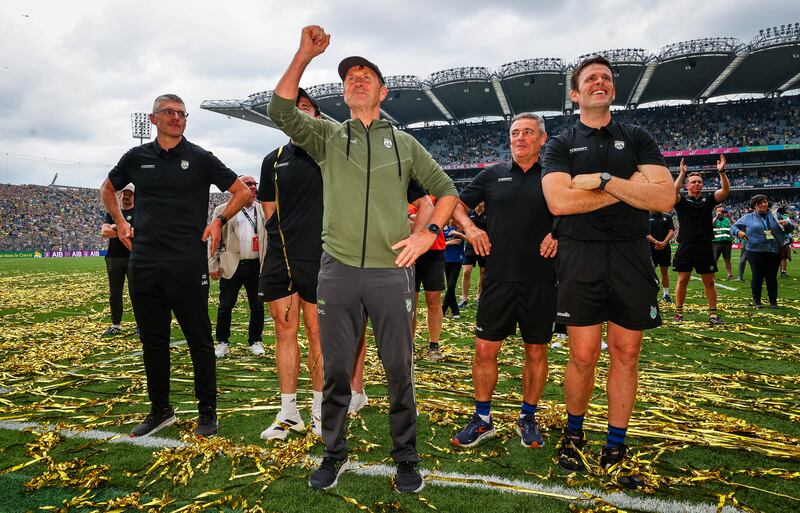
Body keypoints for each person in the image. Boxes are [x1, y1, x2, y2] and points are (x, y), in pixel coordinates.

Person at [267, 25, 458, 493]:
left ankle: (406, 458)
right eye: (349, 76)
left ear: (382, 90)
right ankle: (333, 453)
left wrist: (426, 233)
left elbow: (447, 191)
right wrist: (303, 55)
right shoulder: (329, 137)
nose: (356, 79)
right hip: (338, 271)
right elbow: (279, 109)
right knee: (335, 372)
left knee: (398, 369)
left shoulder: (405, 143)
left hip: (391, 275)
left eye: (365, 74)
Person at [541, 55, 674, 486]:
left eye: (606, 78)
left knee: (626, 353)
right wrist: (631, 187)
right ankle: (573, 435)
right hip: (580, 255)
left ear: (613, 90)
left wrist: (600, 179)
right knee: (583, 354)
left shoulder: (637, 135)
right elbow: (559, 203)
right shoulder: (560, 144)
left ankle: (615, 443)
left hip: (631, 254)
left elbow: (664, 200)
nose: (600, 81)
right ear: (576, 94)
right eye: (590, 78)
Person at [100, 93, 249, 438]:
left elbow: (241, 192)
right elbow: (108, 188)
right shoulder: (136, 157)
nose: (176, 118)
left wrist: (219, 220)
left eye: (182, 114)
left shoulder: (199, 157)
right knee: (153, 340)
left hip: (186, 261)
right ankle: (160, 410)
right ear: (153, 119)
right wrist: (121, 223)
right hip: (145, 261)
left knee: (199, 338)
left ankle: (207, 413)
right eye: (168, 112)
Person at [451, 112, 558, 450]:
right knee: (484, 350)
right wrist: (471, 228)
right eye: (514, 133)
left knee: (536, 350)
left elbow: (575, 212)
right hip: (497, 279)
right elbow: (454, 204)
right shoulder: (492, 175)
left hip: (541, 280)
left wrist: (560, 234)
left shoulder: (555, 177)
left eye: (528, 132)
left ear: (542, 139)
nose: (520, 138)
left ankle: (528, 417)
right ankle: (482, 419)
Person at [208, 175, 267, 358]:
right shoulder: (222, 209)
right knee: (225, 306)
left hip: (256, 265)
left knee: (257, 306)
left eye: (254, 184)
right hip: (232, 264)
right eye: (248, 184)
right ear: (238, 187)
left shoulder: (264, 209)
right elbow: (214, 239)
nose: (253, 187)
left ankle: (255, 340)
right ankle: (223, 342)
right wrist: (212, 265)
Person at [672, 157, 730, 323]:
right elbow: (672, 193)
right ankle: (678, 313)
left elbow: (725, 191)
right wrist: (682, 174)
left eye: (699, 182)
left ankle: (713, 314)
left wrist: (722, 172)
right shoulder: (681, 201)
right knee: (683, 280)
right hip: (686, 245)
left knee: (709, 281)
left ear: (702, 185)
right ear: (687, 185)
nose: (696, 184)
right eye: (693, 182)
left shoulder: (708, 200)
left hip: (705, 245)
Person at [731, 195, 794, 308]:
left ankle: (773, 302)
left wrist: (787, 224)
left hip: (773, 250)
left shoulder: (776, 215)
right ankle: (757, 301)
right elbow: (733, 227)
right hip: (755, 251)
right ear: (755, 205)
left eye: (765, 202)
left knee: (771, 277)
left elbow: (789, 230)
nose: (763, 204)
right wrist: (738, 232)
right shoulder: (748, 217)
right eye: (760, 203)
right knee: (757, 276)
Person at [410, 194, 446, 360]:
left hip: (434, 251)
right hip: (411, 250)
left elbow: (441, 217)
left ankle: (434, 345)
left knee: (434, 300)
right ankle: (408, 344)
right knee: (410, 302)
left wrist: (415, 218)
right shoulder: (405, 191)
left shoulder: (437, 194)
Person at [100, 183, 136, 336]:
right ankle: (116, 325)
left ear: (134, 196)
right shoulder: (113, 212)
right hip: (114, 257)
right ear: (120, 195)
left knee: (136, 293)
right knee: (115, 293)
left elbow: (136, 232)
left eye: (129, 194)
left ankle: (141, 325)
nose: (126, 196)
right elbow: (104, 233)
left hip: (133, 257)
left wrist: (114, 227)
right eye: (124, 193)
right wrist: (122, 229)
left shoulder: (138, 211)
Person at [459, 202, 486, 308]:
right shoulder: (469, 213)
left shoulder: (489, 213)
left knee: (483, 272)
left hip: (484, 246)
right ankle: (464, 298)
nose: (481, 202)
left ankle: (479, 296)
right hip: (470, 246)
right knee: (466, 272)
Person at [647, 211, 675, 303]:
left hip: (665, 248)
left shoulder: (667, 216)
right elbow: (646, 233)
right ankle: (651, 295)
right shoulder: (646, 216)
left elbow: (671, 231)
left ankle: (666, 295)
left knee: (665, 272)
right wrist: (656, 242)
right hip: (651, 249)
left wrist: (664, 243)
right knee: (651, 273)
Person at [442, 219, 465, 319]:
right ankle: (456, 311)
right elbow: (440, 244)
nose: (452, 220)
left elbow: (467, 238)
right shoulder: (444, 229)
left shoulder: (461, 230)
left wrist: (458, 234)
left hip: (457, 260)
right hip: (446, 260)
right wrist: (449, 242)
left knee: (451, 286)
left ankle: (442, 310)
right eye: (451, 218)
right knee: (450, 287)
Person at [712, 206, 734, 280]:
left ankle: (729, 274)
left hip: (727, 242)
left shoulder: (727, 220)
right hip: (716, 242)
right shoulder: (714, 220)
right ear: (716, 212)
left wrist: (730, 218)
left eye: (722, 211)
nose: (721, 213)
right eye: (719, 211)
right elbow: (709, 225)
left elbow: (736, 225)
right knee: (714, 259)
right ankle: (712, 274)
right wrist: (716, 217)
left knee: (727, 259)